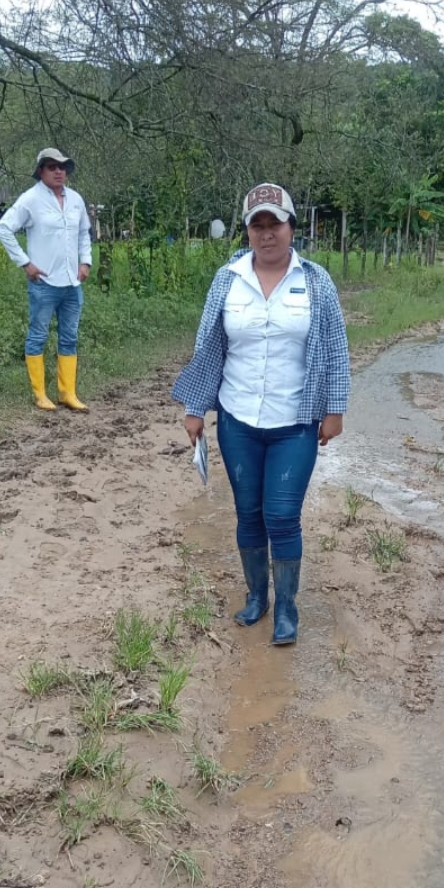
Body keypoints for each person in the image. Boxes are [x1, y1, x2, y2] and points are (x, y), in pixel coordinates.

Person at [172, 182, 350, 647]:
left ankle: (287, 607)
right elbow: (208, 347)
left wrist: (334, 410)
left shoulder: (316, 282)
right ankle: (257, 597)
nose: (267, 233)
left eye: (276, 224)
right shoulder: (227, 279)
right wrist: (195, 409)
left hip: (295, 422)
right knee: (248, 513)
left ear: (292, 228)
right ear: (247, 230)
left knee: (282, 515)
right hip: (238, 422)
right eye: (258, 225)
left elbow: (336, 348)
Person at [0, 146, 92, 412]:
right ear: (41, 171)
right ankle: (40, 394)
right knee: (38, 335)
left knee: (69, 337)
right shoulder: (30, 199)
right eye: (52, 167)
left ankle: (67, 393)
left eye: (62, 167)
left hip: (72, 282)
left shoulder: (75, 200)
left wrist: (85, 261)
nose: (58, 171)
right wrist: (25, 263)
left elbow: (84, 233)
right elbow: (3, 228)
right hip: (44, 283)